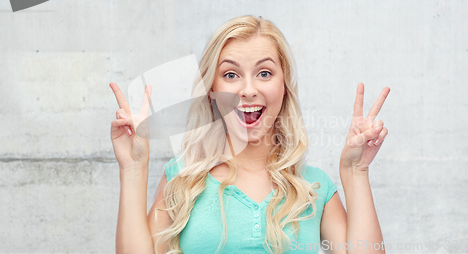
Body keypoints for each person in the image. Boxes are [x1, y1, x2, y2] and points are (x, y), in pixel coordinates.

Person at [109, 15, 390, 254]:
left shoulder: (315, 188)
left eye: (265, 73)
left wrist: (356, 170)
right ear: (213, 91)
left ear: (284, 86)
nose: (248, 89)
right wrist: (133, 169)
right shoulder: (182, 179)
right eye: (231, 75)